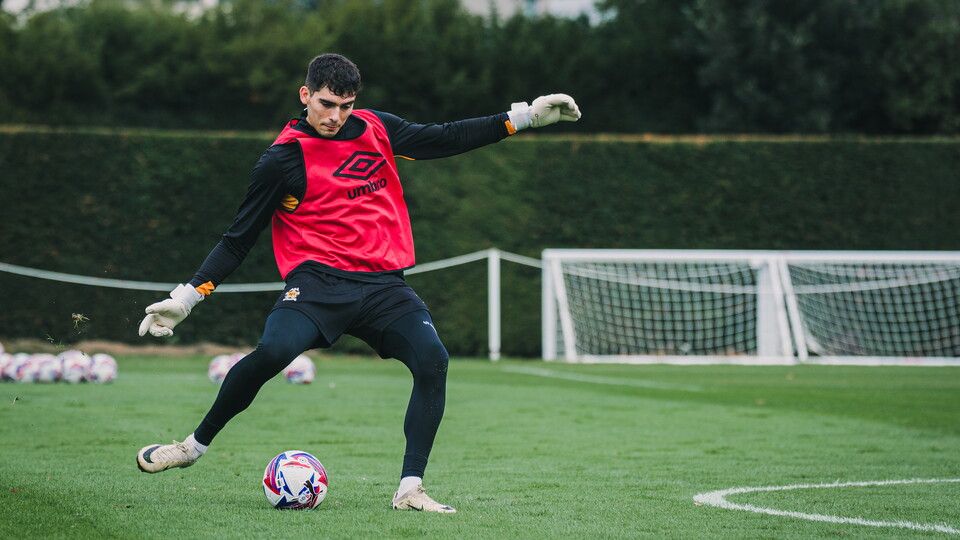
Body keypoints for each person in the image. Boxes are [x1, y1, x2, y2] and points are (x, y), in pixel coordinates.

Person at [135, 53, 580, 514]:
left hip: (385, 286)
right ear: (305, 95)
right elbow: (237, 239)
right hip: (318, 283)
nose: (335, 116)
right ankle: (192, 446)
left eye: (346, 105)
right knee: (272, 353)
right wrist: (186, 299)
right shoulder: (281, 160)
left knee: (434, 360)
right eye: (327, 103)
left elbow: (444, 138)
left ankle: (410, 489)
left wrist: (523, 117)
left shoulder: (376, 128)